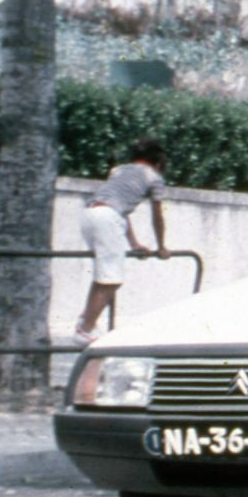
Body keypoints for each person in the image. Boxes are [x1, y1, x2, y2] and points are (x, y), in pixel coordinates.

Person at [76, 137, 169, 343]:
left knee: (104, 275)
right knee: (112, 278)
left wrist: (134, 244)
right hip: (108, 218)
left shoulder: (118, 170)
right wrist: (161, 246)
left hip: (90, 214)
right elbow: (157, 215)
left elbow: (121, 210)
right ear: (158, 161)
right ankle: (84, 330)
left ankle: (85, 321)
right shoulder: (154, 178)